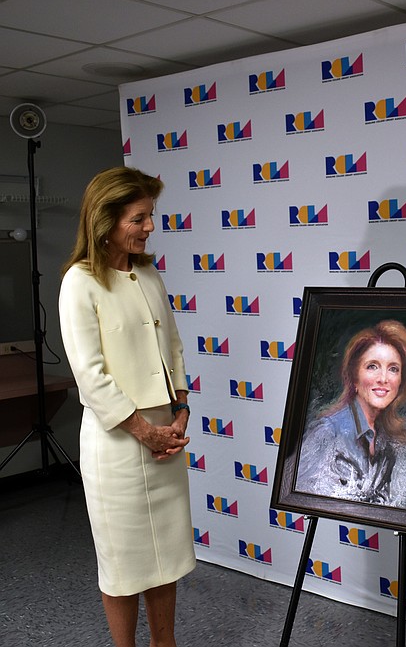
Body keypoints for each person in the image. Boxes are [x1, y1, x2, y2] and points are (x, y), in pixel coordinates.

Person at [59, 167, 196, 647]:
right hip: (117, 444)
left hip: (164, 435)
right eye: (139, 218)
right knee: (123, 562)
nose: (149, 227)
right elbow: (90, 376)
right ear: (107, 219)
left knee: (166, 559)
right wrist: (144, 430)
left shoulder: (148, 272)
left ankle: (166, 643)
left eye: (150, 215)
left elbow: (173, 347)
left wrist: (180, 410)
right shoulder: (80, 282)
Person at [295, 319, 406, 508]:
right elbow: (303, 500)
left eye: (393, 369)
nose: (383, 379)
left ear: (401, 381)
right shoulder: (327, 434)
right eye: (372, 366)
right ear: (354, 377)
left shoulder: (386, 443)